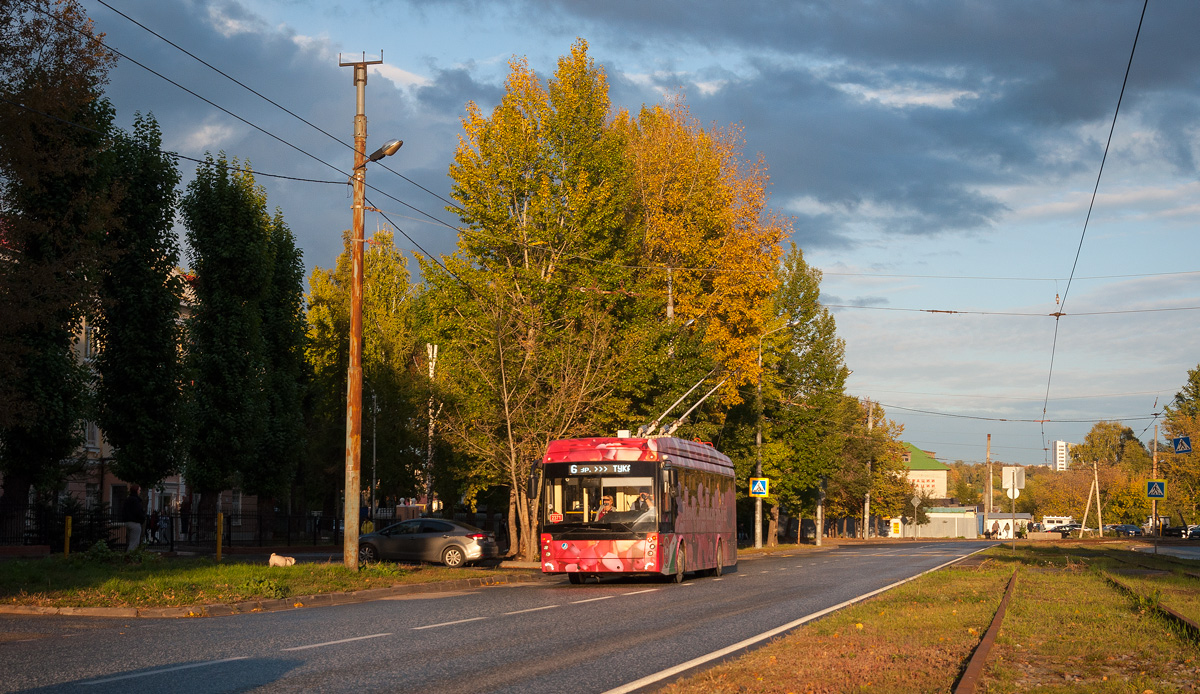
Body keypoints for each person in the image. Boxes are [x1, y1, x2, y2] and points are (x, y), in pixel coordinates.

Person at [123, 486, 145, 552]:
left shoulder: (127, 499)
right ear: (136, 491)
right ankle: (130, 556)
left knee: (131, 542)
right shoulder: (136, 500)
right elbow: (138, 511)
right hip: (135, 523)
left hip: (128, 522)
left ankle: (129, 555)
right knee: (134, 543)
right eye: (139, 490)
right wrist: (142, 518)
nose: (140, 492)